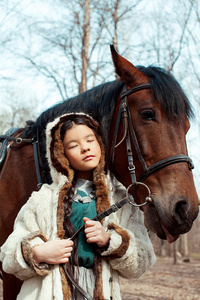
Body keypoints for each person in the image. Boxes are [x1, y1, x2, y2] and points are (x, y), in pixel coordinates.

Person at [0, 113, 156, 300]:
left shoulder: (121, 200)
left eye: (90, 140)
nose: (84, 148)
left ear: (100, 144)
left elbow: (142, 259)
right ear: (61, 154)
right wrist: (38, 253)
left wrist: (110, 241)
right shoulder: (42, 199)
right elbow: (9, 256)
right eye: (73, 145)